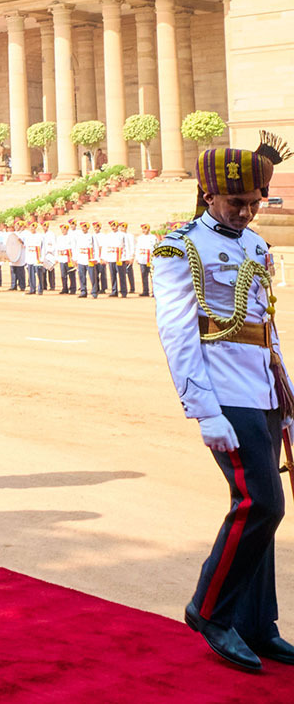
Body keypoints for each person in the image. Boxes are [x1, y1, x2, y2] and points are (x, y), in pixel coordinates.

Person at [154, 136, 294, 672]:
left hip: (260, 390)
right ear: (209, 194)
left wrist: (284, 394)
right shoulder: (178, 246)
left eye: (254, 203)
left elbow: (266, 323)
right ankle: (209, 611)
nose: (246, 212)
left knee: (263, 511)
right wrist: (203, 408)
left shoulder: (255, 245)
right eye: (237, 203)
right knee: (260, 503)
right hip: (223, 393)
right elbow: (177, 332)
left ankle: (258, 625)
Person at [136, 223, 157, 297]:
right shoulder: (140, 238)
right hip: (142, 258)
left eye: (145, 228)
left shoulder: (153, 237)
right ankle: (145, 291)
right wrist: (137, 258)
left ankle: (154, 292)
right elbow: (138, 248)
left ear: (149, 229)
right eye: (143, 229)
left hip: (151, 259)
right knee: (143, 276)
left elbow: (155, 247)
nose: (144, 230)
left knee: (153, 276)